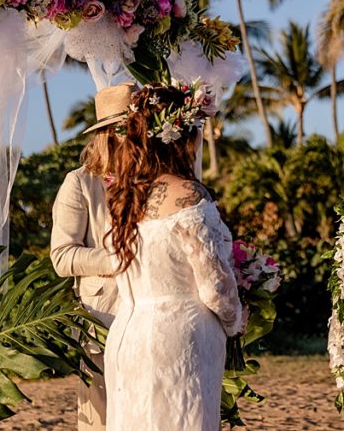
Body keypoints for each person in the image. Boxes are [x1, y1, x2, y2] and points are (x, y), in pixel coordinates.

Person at [102, 83, 244, 431]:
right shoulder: (190, 193)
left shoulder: (125, 197)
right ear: (183, 136)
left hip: (128, 336)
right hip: (181, 339)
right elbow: (214, 286)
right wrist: (236, 320)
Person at [50, 82, 135, 431]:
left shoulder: (156, 179)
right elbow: (62, 257)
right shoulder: (79, 184)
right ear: (108, 135)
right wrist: (117, 260)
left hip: (149, 312)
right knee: (99, 417)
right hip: (102, 317)